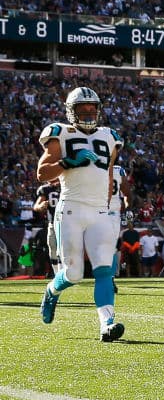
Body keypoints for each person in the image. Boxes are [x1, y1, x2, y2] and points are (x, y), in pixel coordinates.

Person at [37, 87, 125, 342]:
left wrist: (107, 207)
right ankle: (52, 290)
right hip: (72, 208)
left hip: (99, 211)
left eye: (92, 108)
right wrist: (68, 162)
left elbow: (108, 175)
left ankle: (107, 323)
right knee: (74, 273)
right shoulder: (60, 132)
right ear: (71, 111)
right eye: (82, 109)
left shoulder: (111, 136)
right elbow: (42, 173)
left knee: (104, 269)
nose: (88, 113)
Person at [32, 179, 61, 276]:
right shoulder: (45, 189)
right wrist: (40, 206)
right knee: (52, 246)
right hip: (52, 222)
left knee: (65, 248)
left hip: (67, 221)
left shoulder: (66, 185)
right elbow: (36, 206)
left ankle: (66, 272)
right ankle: (57, 274)